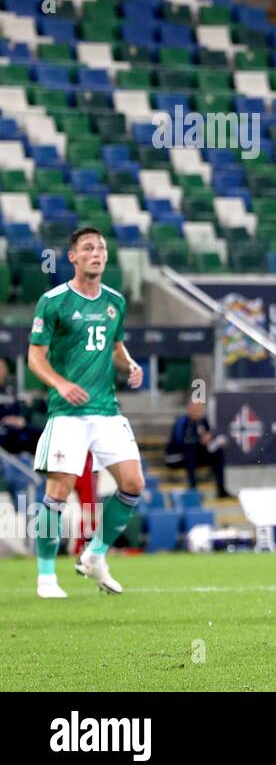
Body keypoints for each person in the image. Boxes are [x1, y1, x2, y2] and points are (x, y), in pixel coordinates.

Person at [28, 227, 145, 599]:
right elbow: (34, 358)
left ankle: (95, 554)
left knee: (133, 483)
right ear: (73, 257)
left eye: (102, 248)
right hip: (67, 413)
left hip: (106, 411)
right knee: (58, 493)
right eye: (88, 248)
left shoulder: (115, 302)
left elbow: (115, 346)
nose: (96, 253)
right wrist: (60, 384)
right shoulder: (54, 301)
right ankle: (46, 577)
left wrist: (130, 364)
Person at [166, 400, 231, 498]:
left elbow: (209, 436)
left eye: (200, 409)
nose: (198, 411)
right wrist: (199, 440)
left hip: (195, 456)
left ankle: (221, 490)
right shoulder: (182, 421)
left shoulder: (203, 421)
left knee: (218, 453)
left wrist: (213, 439)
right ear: (189, 409)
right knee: (190, 449)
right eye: (195, 409)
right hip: (177, 457)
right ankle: (193, 490)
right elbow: (179, 441)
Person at [0, 357, 38, 454]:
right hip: (4, 431)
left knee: (40, 435)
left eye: (3, 367)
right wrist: (5, 419)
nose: (2, 371)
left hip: (18, 428)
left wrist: (25, 411)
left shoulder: (9, 390)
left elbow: (18, 409)